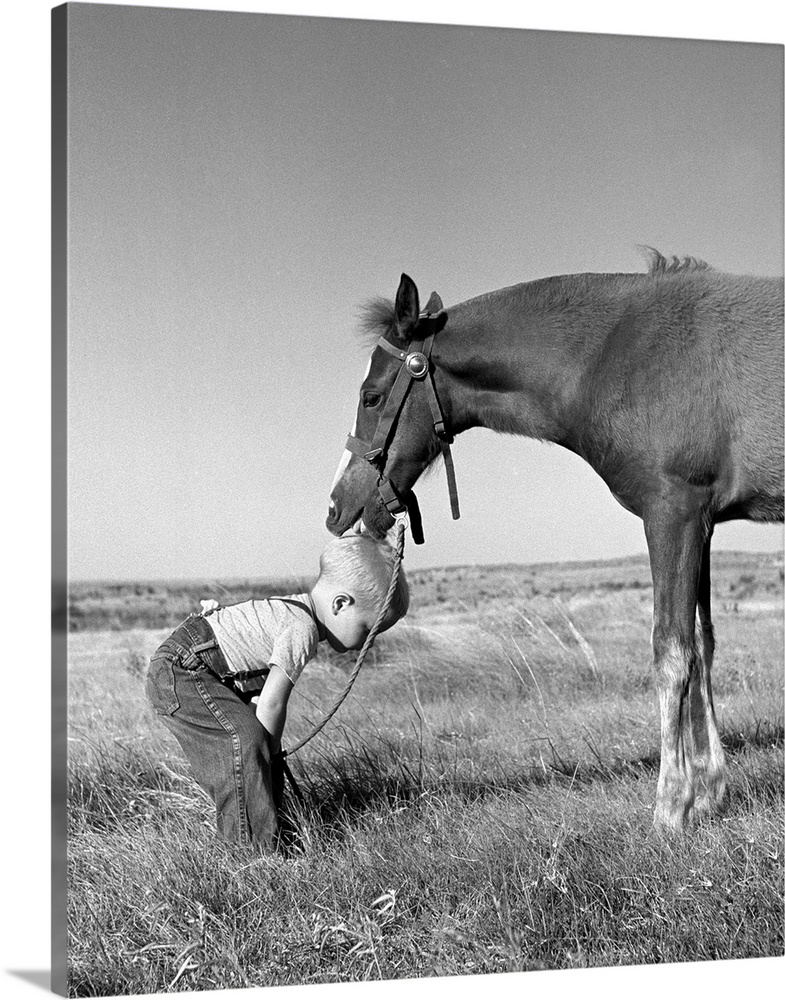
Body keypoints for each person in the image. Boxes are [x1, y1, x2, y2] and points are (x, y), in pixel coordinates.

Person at [145, 534, 409, 850]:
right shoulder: (303, 629)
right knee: (245, 745)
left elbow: (257, 696)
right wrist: (268, 755)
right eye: (368, 629)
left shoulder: (295, 610)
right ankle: (251, 856)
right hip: (181, 670)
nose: (369, 642)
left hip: (189, 663)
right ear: (341, 604)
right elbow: (271, 704)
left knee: (255, 750)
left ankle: (275, 834)